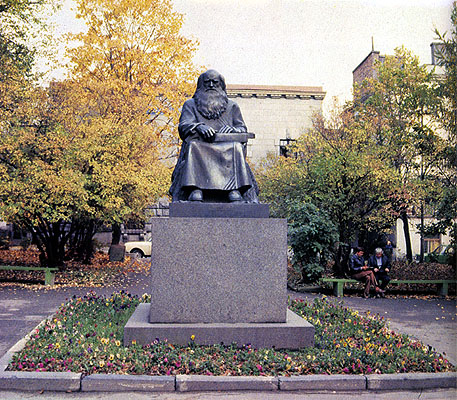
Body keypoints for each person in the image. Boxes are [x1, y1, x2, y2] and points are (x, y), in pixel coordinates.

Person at [169, 69, 259, 203]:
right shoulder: (190, 105)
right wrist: (198, 126)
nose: (211, 85)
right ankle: (196, 189)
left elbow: (242, 129)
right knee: (194, 147)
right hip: (200, 145)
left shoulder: (232, 106)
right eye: (207, 82)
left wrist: (233, 130)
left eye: (214, 82)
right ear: (200, 85)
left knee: (236, 148)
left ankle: (233, 189)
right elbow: (184, 125)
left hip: (227, 145)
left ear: (221, 85)